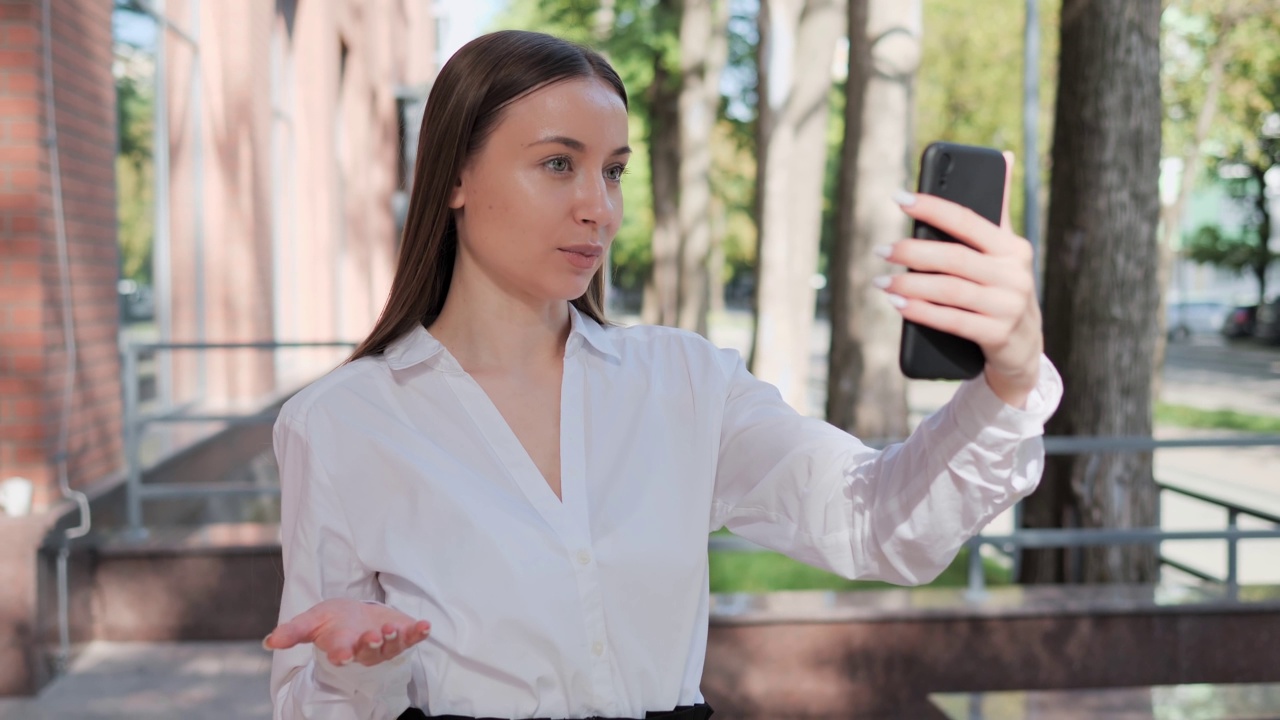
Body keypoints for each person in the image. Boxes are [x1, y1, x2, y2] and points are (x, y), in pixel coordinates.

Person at [262, 29, 1062, 720]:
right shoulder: (340, 424)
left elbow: (879, 523)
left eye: (613, 171)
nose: (598, 208)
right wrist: (351, 669)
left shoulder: (684, 383)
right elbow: (305, 697)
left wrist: (1011, 381)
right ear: (456, 179)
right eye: (556, 164)